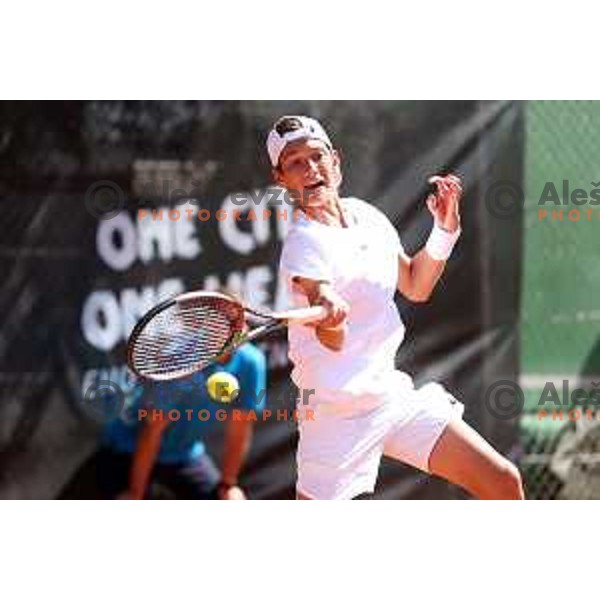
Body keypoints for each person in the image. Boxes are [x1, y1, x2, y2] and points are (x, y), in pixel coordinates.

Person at [268, 115, 525, 500]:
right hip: (335, 418)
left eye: (316, 156)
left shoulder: (368, 216)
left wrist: (444, 230)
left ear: (335, 160)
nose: (310, 169)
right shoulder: (303, 245)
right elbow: (331, 337)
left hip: (391, 396)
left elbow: (416, 284)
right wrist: (330, 312)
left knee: (503, 482)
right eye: (295, 162)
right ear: (281, 179)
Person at [98, 343, 266, 500]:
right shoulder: (182, 360)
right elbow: (152, 432)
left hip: (185, 455)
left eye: (239, 314)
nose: (234, 322)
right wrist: (135, 493)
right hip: (129, 450)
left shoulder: (251, 362)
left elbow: (239, 431)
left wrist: (227, 485)